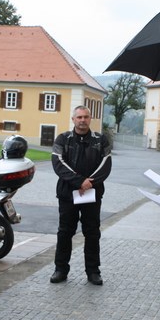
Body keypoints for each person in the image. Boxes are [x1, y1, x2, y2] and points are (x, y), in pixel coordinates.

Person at [50, 105, 112, 285]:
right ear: (73, 119)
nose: (82, 120)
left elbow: (106, 164)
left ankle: (93, 272)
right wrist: (79, 182)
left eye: (85, 117)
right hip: (67, 194)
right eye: (79, 117)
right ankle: (60, 269)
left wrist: (89, 183)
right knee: (64, 232)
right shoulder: (63, 139)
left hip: (92, 193)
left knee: (92, 233)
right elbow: (58, 163)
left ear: (90, 118)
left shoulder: (101, 140)